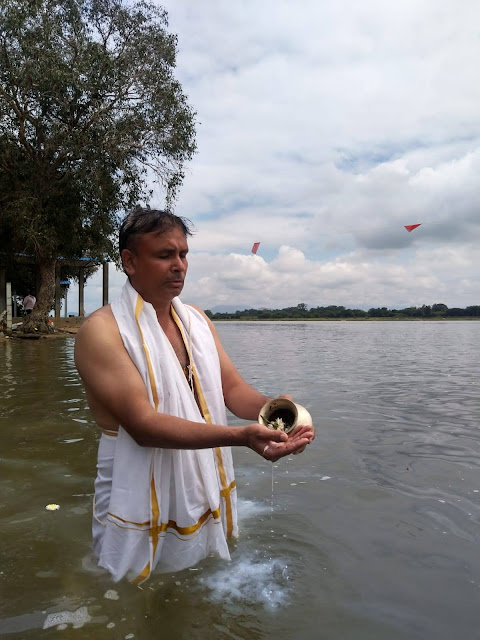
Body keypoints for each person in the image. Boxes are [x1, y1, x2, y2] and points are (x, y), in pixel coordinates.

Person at [74, 208, 315, 584]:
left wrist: (277, 414)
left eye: (183, 255)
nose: (179, 266)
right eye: (165, 255)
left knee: (197, 579)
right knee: (125, 587)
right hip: (132, 487)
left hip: (198, 481)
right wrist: (241, 437)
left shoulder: (196, 321)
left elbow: (232, 391)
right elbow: (144, 426)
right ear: (130, 261)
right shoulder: (101, 331)